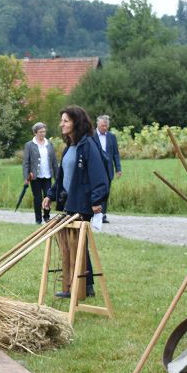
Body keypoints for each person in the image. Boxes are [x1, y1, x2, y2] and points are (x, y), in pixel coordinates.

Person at [43, 106, 110, 298]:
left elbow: (99, 176)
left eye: (66, 121)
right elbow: (63, 178)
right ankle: (84, 285)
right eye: (61, 120)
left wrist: (97, 200)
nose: (61, 124)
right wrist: (50, 195)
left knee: (77, 244)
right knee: (76, 244)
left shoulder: (88, 145)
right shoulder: (69, 148)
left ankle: (79, 286)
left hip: (83, 203)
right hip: (70, 203)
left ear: (76, 122)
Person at [21, 122, 58, 225]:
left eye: (44, 131)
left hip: (47, 175)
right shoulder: (29, 145)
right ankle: (38, 219)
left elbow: (54, 161)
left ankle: (46, 216)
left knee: (48, 196)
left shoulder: (49, 144)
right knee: (37, 198)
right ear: (35, 133)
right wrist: (26, 176)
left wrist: (57, 176)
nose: (43, 134)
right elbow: (26, 162)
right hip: (35, 176)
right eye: (40, 132)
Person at [95, 115, 122, 224]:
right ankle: (94, 214)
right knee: (96, 192)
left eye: (106, 126)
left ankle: (103, 214)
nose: (104, 128)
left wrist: (118, 168)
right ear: (98, 125)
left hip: (108, 169)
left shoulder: (112, 137)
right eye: (102, 126)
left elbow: (116, 154)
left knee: (106, 191)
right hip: (95, 169)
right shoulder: (91, 136)